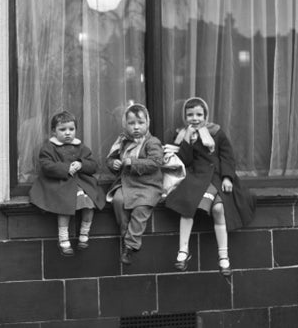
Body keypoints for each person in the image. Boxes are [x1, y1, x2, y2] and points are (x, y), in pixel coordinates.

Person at [164, 97, 256, 276]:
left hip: (216, 177)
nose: (195, 118)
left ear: (205, 115)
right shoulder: (183, 134)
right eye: (190, 115)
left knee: (219, 209)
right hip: (196, 177)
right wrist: (187, 142)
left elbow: (227, 156)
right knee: (187, 208)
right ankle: (183, 251)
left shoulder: (216, 133)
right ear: (185, 117)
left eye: (199, 114)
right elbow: (185, 160)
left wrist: (228, 178)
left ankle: (224, 257)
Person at [29, 110, 106, 256]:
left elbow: (94, 165)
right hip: (60, 183)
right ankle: (63, 238)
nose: (68, 133)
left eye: (71, 129)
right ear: (53, 131)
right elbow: (46, 165)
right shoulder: (49, 147)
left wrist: (81, 164)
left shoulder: (81, 147)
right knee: (64, 204)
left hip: (80, 183)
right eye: (62, 129)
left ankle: (84, 233)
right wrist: (65, 168)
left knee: (90, 203)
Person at [106, 103, 164, 265]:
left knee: (141, 209)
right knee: (118, 201)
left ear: (147, 123)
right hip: (126, 183)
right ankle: (125, 234)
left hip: (148, 185)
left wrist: (132, 162)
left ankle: (130, 245)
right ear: (125, 125)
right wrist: (113, 164)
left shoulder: (152, 142)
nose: (136, 127)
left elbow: (156, 162)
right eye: (131, 124)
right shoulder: (123, 142)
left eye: (140, 123)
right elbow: (111, 158)